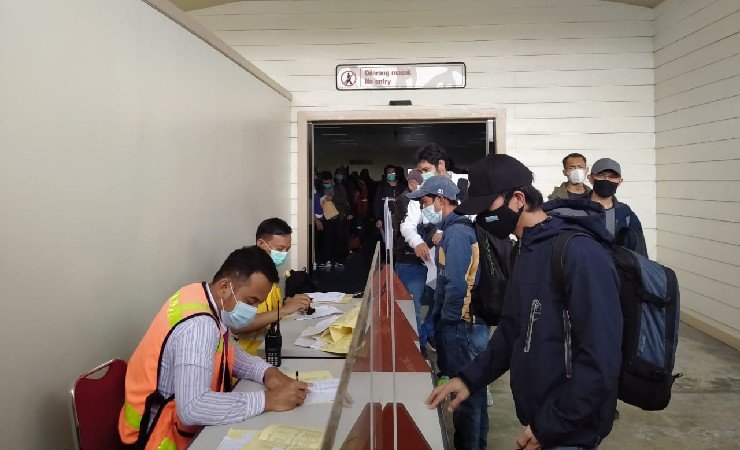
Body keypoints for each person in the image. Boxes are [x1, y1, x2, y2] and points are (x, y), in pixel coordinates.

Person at [426, 154, 623, 450]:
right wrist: (469, 378)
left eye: (486, 208)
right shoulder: (526, 250)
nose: (481, 219)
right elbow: (512, 329)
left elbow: (601, 358)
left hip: (570, 428)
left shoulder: (580, 253)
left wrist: (551, 425)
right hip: (541, 418)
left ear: (518, 198)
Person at [119, 246, 308, 450]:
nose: (253, 311)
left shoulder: (200, 296)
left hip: (173, 428)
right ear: (225, 287)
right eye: (251, 301)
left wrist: (267, 372)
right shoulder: (198, 326)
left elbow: (230, 353)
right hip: (158, 439)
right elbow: (193, 407)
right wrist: (267, 400)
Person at [408, 175, 489, 450]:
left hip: (463, 326)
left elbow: (456, 284)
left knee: (465, 395)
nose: (424, 207)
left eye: (426, 201)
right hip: (464, 323)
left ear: (442, 200)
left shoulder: (456, 234)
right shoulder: (454, 230)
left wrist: (447, 322)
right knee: (472, 392)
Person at [231, 218, 311, 355]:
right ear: (261, 243)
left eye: (287, 249)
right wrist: (285, 310)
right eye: (280, 249)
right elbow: (237, 325)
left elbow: (272, 308)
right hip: (247, 356)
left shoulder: (269, 275)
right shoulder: (245, 276)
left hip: (270, 348)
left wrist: (289, 302)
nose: (284, 254)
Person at [393, 169, 436, 348]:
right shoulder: (407, 201)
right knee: (412, 306)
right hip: (410, 259)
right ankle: (418, 346)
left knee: (436, 303)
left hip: (433, 262)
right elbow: (406, 227)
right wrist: (418, 241)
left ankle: (426, 335)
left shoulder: (438, 204)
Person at [400, 143, 454, 263]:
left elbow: (469, 221)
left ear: (441, 164)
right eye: (420, 171)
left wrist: (443, 232)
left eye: (426, 170)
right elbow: (408, 225)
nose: (423, 175)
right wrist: (417, 242)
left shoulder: (462, 188)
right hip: (430, 261)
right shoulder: (419, 194)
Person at [588, 157, 647, 257]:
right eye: (601, 176)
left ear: (620, 181)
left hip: (617, 271)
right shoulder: (576, 209)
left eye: (612, 177)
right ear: (590, 178)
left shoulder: (627, 216)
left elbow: (639, 256)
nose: (607, 180)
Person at [318, 171, 349, 269]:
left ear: (331, 180)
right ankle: (327, 259)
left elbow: (345, 201)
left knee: (338, 239)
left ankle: (339, 260)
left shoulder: (339, 188)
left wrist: (333, 198)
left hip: (338, 217)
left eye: (327, 182)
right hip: (326, 217)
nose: (326, 184)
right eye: (324, 182)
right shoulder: (320, 188)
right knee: (327, 239)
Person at [374, 164, 404, 243]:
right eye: (389, 173)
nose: (391, 175)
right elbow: (377, 203)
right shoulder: (381, 187)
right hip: (386, 217)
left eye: (393, 173)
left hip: (400, 217)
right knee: (387, 240)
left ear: (396, 174)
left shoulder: (402, 187)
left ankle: (398, 254)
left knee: (400, 239)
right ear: (386, 174)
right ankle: (389, 254)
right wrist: (378, 218)